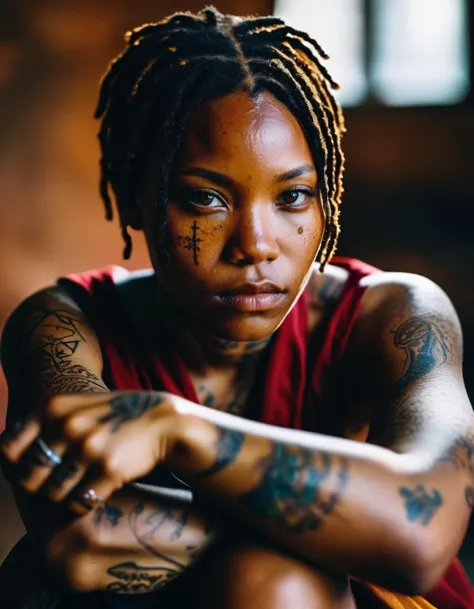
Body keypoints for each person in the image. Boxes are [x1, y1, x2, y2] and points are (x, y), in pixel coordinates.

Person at [1, 6, 473, 609]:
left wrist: (177, 428)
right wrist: (352, 529)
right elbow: (82, 538)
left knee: (274, 582)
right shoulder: (67, 326)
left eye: (293, 196)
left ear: (325, 203)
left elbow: (420, 536)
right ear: (134, 199)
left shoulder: (395, 315)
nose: (256, 244)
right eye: (205, 199)